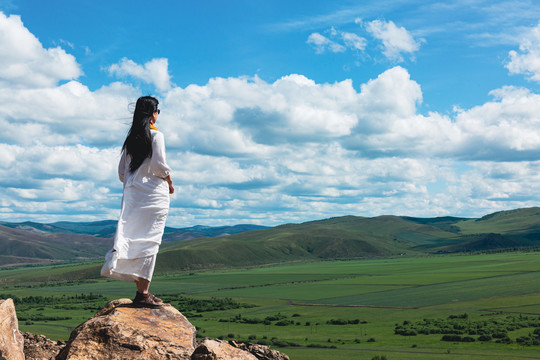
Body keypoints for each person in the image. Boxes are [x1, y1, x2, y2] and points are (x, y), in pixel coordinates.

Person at [101, 96, 174, 308]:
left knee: (135, 237)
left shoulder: (130, 140)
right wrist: (169, 181)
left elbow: (122, 173)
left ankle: (142, 291)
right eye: (157, 111)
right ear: (153, 114)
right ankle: (143, 293)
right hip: (154, 194)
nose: (158, 114)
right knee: (150, 241)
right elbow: (160, 165)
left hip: (134, 195)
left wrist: (136, 184)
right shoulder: (156, 136)